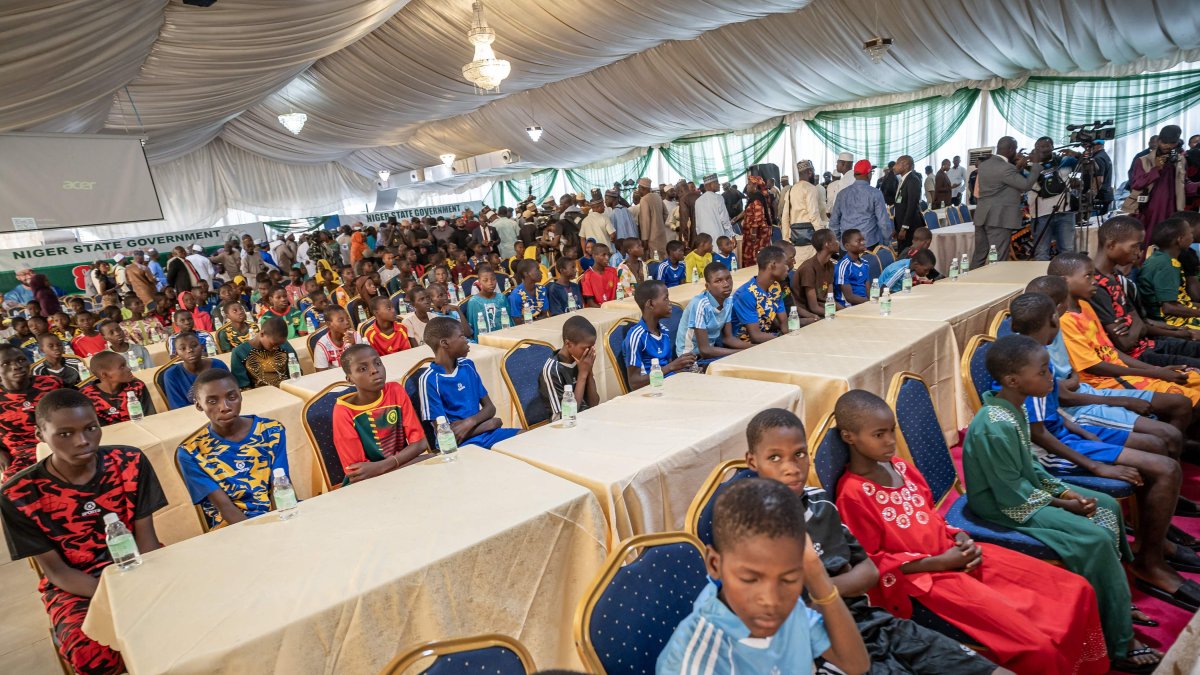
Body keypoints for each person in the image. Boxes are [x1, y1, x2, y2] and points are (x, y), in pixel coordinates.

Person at [835, 390, 1112, 674]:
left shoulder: (900, 467)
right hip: (927, 579)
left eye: (892, 431)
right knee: (1035, 644)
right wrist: (942, 563)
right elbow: (873, 563)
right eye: (879, 434)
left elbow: (931, 517)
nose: (891, 441)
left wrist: (959, 536)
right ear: (849, 437)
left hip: (955, 555)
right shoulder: (853, 494)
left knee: (1074, 589)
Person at [743, 408, 1005, 675]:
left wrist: (821, 589)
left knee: (987, 669)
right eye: (775, 458)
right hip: (821, 645)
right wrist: (842, 584)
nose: (791, 468)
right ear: (752, 462)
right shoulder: (747, 529)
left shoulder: (820, 503)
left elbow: (868, 571)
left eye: (799, 454)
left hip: (871, 621)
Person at [962, 336, 1165, 672]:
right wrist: (1063, 504)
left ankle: (1112, 598)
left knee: (1107, 507)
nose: (1051, 379)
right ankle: (1119, 641)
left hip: (1021, 490)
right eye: (1043, 372)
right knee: (1094, 537)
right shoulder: (995, 425)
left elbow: (1031, 467)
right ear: (1013, 380)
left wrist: (1067, 493)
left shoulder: (1011, 407)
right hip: (1004, 504)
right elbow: (1011, 491)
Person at [1008, 294, 1197, 603]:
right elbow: (1039, 433)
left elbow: (1055, 413)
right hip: (1049, 453)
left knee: (1159, 450)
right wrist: (1096, 464)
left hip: (1065, 435)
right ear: (1053, 321)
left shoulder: (1034, 354)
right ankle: (1151, 561)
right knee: (1165, 467)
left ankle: (1154, 542)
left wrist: (1087, 435)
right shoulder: (1029, 365)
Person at [0, 389, 166, 675]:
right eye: (65, 434)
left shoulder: (129, 462)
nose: (83, 441)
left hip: (141, 564)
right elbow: (56, 572)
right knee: (92, 653)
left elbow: (147, 538)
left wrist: (142, 589)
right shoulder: (18, 494)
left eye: (91, 428)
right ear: (40, 434)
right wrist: (116, 598)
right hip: (76, 586)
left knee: (193, 616)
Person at [656, 478, 869, 675]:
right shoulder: (696, 663)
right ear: (714, 564)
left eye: (789, 579)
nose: (771, 600)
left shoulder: (788, 606)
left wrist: (815, 572)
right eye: (750, 579)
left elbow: (855, 664)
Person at [1051, 253, 1200, 406]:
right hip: (1102, 381)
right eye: (1088, 276)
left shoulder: (1085, 306)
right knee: (1187, 400)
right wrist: (1154, 372)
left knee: (1195, 380)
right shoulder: (1065, 320)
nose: (1095, 281)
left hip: (1123, 371)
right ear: (1064, 281)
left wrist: (1156, 370)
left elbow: (1112, 351)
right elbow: (1095, 366)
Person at [176, 369, 288, 527]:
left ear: (241, 395)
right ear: (199, 405)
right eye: (212, 401)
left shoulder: (271, 431)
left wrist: (283, 525)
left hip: (279, 514)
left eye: (232, 397)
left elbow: (281, 487)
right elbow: (224, 507)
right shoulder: (191, 452)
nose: (225, 407)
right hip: (232, 526)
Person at [332, 345, 428, 485]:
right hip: (368, 483)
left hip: (400, 468)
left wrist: (383, 466)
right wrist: (404, 460)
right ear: (350, 379)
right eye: (363, 369)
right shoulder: (344, 411)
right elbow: (357, 472)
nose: (374, 370)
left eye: (378, 363)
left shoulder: (396, 391)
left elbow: (420, 443)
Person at [418, 317, 517, 449]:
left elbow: (490, 408)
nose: (467, 341)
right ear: (445, 343)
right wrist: (488, 424)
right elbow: (446, 435)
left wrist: (469, 422)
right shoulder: (428, 380)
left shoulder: (468, 366)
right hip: (461, 445)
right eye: (462, 336)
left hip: (487, 434)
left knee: (527, 438)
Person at [972, 137, 1040, 267]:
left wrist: (1017, 167)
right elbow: (1025, 185)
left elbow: (1002, 183)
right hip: (999, 218)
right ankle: (996, 285)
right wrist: (1036, 165)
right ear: (1011, 149)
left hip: (982, 216)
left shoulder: (984, 165)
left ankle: (971, 284)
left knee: (979, 255)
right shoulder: (1006, 168)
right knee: (997, 258)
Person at [1125, 125, 1197, 243]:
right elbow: (1136, 184)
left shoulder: (1180, 160)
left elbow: (1184, 185)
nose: (1167, 146)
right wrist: (1156, 169)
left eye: (1171, 143)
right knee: (1148, 242)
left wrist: (1197, 186)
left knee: (1170, 244)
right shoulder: (1144, 160)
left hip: (1172, 211)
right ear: (1158, 141)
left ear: (1176, 143)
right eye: (1164, 142)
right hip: (1149, 212)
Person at [0, 344, 61, 480]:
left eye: (21, 360)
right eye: (5, 364)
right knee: (12, 491)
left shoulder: (52, 384)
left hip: (61, 444)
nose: (17, 366)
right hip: (23, 455)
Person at [624, 280, 695, 389]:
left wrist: (684, 367)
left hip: (669, 384)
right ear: (650, 304)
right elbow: (634, 382)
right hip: (650, 390)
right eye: (665, 299)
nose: (670, 303)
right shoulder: (636, 336)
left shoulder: (664, 331)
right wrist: (672, 366)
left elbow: (669, 367)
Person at [676, 262, 750, 365]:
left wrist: (754, 347)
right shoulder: (700, 304)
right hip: (691, 356)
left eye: (728, 278)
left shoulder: (728, 300)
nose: (726, 284)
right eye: (718, 281)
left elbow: (728, 339)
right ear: (708, 286)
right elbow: (705, 350)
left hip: (712, 351)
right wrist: (740, 353)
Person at [1137, 216, 1200, 331]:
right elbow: (1169, 308)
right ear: (1180, 239)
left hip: (1177, 314)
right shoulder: (1166, 265)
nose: (1192, 236)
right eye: (1190, 233)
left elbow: (1181, 302)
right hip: (1170, 321)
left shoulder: (1161, 258)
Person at [1025, 136, 1078, 261]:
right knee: (1041, 253)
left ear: (1053, 147)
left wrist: (1077, 154)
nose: (1043, 149)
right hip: (1040, 215)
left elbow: (1091, 166)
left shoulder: (1064, 161)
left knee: (1067, 251)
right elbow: (1022, 185)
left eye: (1046, 146)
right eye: (1039, 147)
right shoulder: (1029, 166)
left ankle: (1066, 280)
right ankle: (1042, 280)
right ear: (1035, 149)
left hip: (1065, 212)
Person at [539, 315, 601, 418]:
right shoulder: (552, 370)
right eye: (586, 348)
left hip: (587, 417)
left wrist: (589, 372)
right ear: (568, 344)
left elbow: (594, 403)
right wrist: (582, 375)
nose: (590, 352)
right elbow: (568, 415)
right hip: (564, 425)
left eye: (592, 347)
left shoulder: (581, 361)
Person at [730, 245, 790, 343]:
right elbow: (756, 336)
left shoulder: (775, 287)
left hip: (767, 339)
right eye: (785, 264)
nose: (787, 268)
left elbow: (784, 323)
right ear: (773, 265)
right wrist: (782, 337)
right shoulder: (747, 294)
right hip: (744, 346)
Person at [79, 351, 156, 425]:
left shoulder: (136, 386)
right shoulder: (87, 396)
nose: (129, 369)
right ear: (104, 375)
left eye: (126, 365)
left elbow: (150, 416)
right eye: (122, 367)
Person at [828, 160, 890, 249]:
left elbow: (833, 222)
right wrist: (886, 242)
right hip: (868, 245)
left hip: (847, 245)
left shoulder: (842, 194)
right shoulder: (875, 193)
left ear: (854, 175)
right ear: (869, 174)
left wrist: (841, 241)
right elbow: (883, 222)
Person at [161, 331, 230, 410]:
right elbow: (178, 409)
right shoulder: (172, 375)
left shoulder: (218, 366)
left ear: (202, 347)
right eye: (183, 348)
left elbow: (230, 394)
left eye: (194, 346)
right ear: (176, 353)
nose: (189, 350)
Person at [231, 317, 298, 389]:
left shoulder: (284, 345)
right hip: (259, 395)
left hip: (287, 390)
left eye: (279, 344)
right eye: (273, 344)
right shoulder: (240, 352)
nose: (276, 348)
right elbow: (243, 386)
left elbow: (296, 374)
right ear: (262, 334)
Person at [797, 229, 838, 316]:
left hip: (825, 309)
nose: (838, 242)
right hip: (809, 314)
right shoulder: (808, 268)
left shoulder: (830, 265)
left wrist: (846, 311)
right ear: (827, 244)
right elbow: (813, 307)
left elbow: (830, 299)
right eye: (835, 240)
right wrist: (837, 315)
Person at [737, 176, 774, 266]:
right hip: (757, 233)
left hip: (757, 235)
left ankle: (755, 276)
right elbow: (748, 211)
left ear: (755, 186)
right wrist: (736, 218)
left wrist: (753, 235)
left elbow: (758, 218)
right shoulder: (756, 197)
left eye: (749, 184)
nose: (747, 186)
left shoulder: (757, 199)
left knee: (755, 257)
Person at [312, 305, 362, 370]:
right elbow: (321, 373)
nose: (347, 322)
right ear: (329, 324)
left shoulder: (355, 336)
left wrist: (354, 345)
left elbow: (364, 363)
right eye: (341, 320)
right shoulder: (322, 345)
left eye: (348, 318)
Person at [891, 156, 923, 250]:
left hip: (910, 227)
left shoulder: (913, 180)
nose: (894, 167)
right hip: (902, 225)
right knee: (902, 253)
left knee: (908, 254)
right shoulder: (903, 180)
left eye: (897, 164)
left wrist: (904, 228)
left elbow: (911, 206)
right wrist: (897, 227)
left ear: (906, 165)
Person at [693, 174, 736, 243]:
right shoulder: (718, 198)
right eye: (717, 182)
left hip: (705, 240)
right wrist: (732, 235)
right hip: (718, 237)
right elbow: (724, 219)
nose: (719, 184)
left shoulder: (698, 201)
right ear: (711, 184)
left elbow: (697, 223)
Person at [834, 229, 870, 306]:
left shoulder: (865, 263)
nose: (863, 243)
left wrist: (872, 301)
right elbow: (849, 297)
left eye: (863, 240)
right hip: (849, 306)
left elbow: (867, 289)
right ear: (847, 246)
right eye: (858, 241)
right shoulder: (843, 266)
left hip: (864, 302)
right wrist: (868, 301)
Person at [508, 259, 548, 324]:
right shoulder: (516, 295)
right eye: (537, 269)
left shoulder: (541, 289)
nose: (541, 272)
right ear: (526, 273)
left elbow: (544, 314)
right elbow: (518, 321)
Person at [636, 177, 669, 256]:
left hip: (651, 237)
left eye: (639, 188)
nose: (638, 190)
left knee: (655, 259)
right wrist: (660, 223)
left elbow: (645, 221)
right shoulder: (657, 196)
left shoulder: (644, 199)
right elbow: (666, 213)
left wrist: (645, 239)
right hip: (661, 233)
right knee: (663, 257)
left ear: (642, 188)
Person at [580, 243, 619, 308]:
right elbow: (590, 303)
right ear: (594, 256)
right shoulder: (587, 276)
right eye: (603, 255)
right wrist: (605, 309)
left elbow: (618, 292)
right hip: (598, 310)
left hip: (614, 307)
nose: (607, 258)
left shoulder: (612, 271)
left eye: (608, 255)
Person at [825, 152, 856, 217]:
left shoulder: (845, 181)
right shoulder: (853, 176)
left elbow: (838, 203)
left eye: (837, 163)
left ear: (843, 163)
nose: (836, 165)